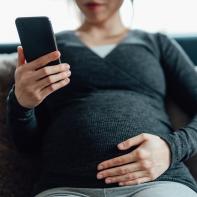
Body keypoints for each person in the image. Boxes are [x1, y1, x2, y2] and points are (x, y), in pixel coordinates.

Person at [6, 0, 197, 196]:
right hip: (65, 186)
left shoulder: (156, 43)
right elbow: (27, 146)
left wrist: (173, 147)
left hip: (157, 182)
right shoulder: (51, 50)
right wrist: (22, 104)